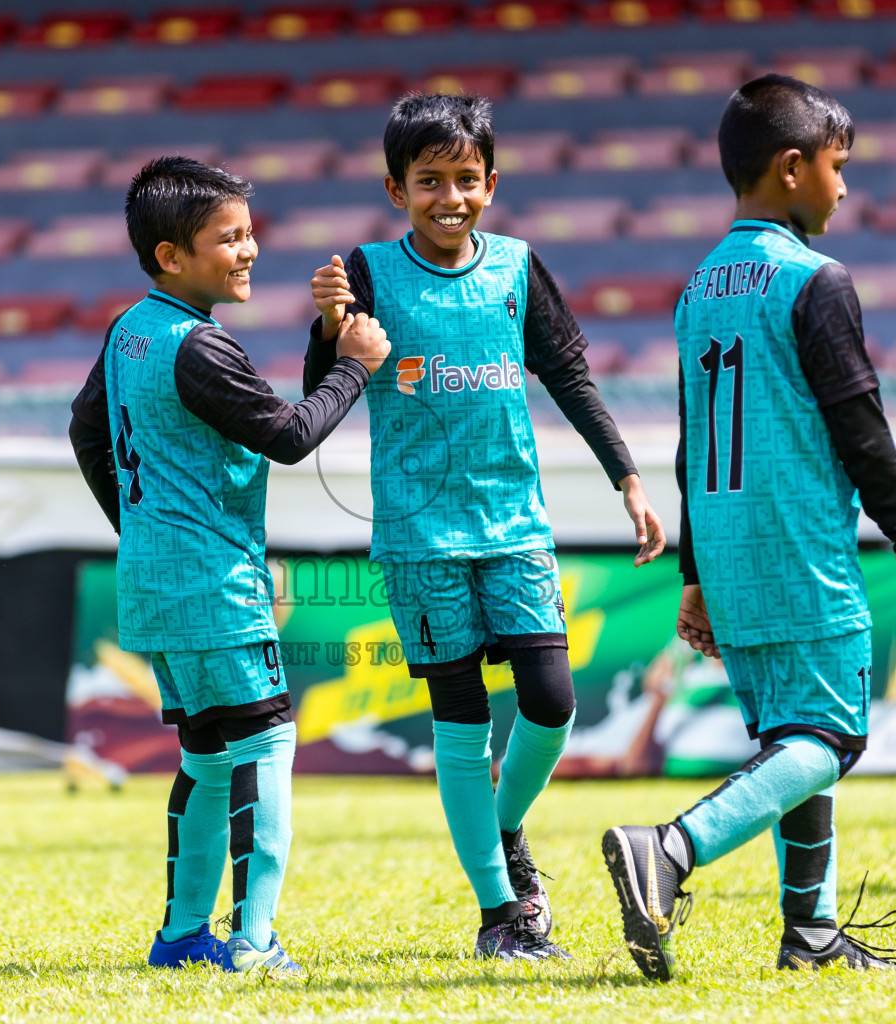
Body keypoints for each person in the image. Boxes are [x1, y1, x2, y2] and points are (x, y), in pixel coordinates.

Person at [599, 74, 896, 982]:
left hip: (727, 545)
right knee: (831, 736)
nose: (844, 188)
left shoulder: (700, 286)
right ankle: (670, 850)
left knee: (791, 737)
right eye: (839, 168)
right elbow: (858, 421)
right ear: (793, 169)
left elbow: (689, 437)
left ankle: (813, 932)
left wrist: (693, 574)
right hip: (799, 544)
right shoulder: (814, 281)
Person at [304, 93, 667, 961]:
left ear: (492, 183)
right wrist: (327, 323)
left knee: (552, 703)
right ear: (397, 189)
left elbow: (572, 377)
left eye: (466, 179)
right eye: (429, 181)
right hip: (420, 542)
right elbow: (326, 378)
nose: (449, 197)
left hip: (514, 527)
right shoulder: (366, 271)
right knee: (460, 726)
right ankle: (502, 911)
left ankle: (502, 831)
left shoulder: (515, 268)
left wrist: (630, 478)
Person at [69, 156, 390, 975]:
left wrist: (141, 527)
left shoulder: (128, 328)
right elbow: (288, 437)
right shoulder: (200, 347)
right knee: (264, 746)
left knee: (207, 757)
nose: (248, 251)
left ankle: (181, 937)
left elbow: (84, 429)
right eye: (229, 238)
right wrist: (355, 363)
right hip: (215, 582)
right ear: (172, 255)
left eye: (250, 234)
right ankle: (252, 941)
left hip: (156, 579)